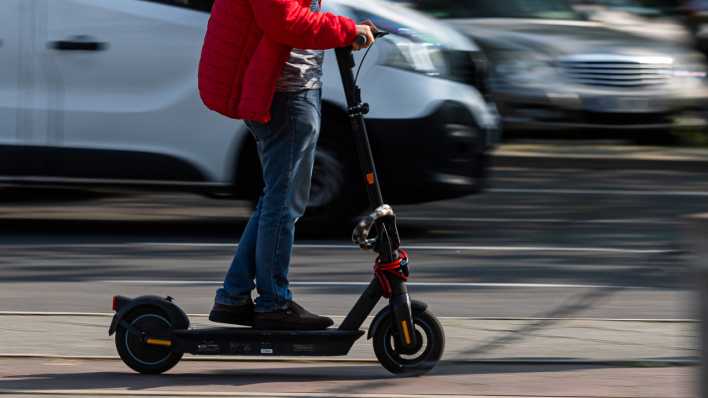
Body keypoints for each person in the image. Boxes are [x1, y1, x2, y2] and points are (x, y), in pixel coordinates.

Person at [197, 0, 375, 330]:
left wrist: (343, 29)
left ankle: (234, 296)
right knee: (283, 203)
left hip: (285, 89)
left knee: (277, 200)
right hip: (286, 93)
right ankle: (273, 302)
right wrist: (345, 30)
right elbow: (284, 21)